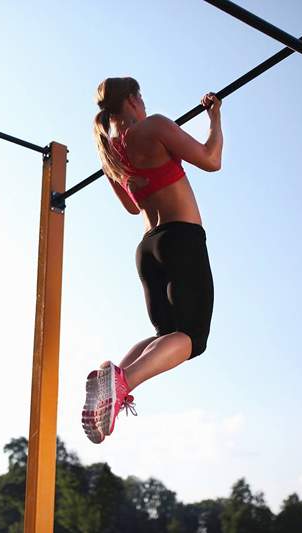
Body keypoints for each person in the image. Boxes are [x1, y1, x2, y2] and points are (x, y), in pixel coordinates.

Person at [82, 76, 223, 444]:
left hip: (148, 249)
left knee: (168, 336)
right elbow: (211, 160)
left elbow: (132, 206)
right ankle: (123, 380)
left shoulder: (109, 152)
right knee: (192, 337)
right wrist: (215, 118)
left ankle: (115, 381)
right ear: (132, 100)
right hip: (181, 237)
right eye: (141, 99)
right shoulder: (154, 126)